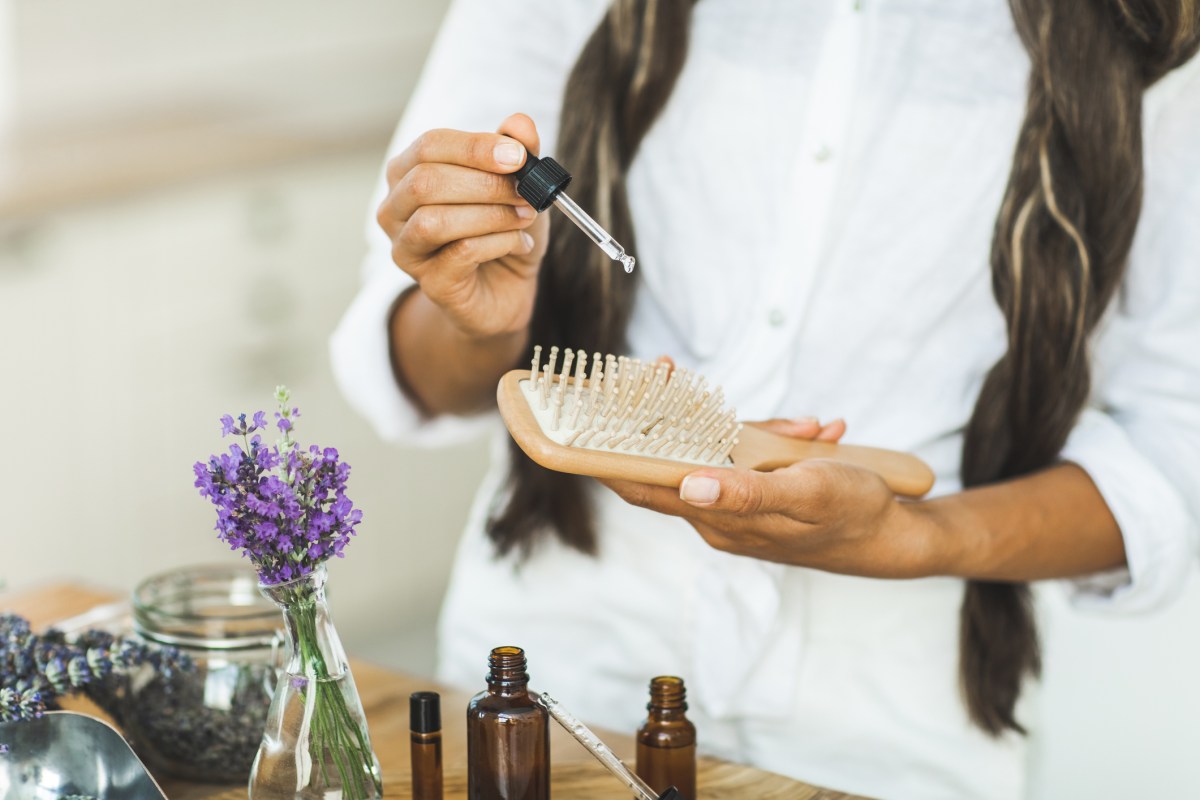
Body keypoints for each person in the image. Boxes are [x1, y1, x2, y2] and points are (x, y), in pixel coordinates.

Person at [330, 1, 1200, 797]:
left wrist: (917, 535)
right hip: (563, 675)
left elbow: (1172, 452)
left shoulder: (1151, 34)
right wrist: (479, 320)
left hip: (895, 728)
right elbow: (409, 366)